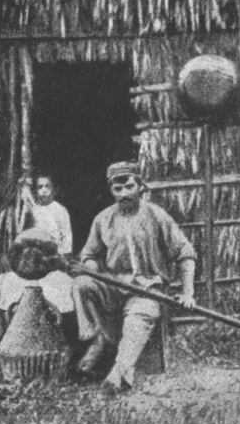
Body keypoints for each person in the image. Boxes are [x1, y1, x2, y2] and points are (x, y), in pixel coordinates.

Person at [72, 161, 197, 393]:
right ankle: (100, 336)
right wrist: (91, 268)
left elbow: (185, 253)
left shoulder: (156, 215)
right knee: (82, 284)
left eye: (129, 187)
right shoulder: (103, 219)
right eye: (117, 190)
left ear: (140, 186)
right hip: (114, 286)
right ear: (111, 191)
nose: (124, 194)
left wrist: (188, 292)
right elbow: (89, 254)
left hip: (147, 289)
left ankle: (118, 373)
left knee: (140, 317)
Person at [0, 228, 76, 368]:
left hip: (47, 280)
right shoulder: (11, 277)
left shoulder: (58, 279)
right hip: (22, 280)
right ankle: (0, 343)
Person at [28, 174, 73, 261]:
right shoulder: (34, 210)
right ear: (36, 190)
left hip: (56, 254)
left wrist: (65, 254)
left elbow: (67, 234)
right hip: (38, 255)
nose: (44, 190)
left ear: (52, 189)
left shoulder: (60, 210)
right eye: (40, 187)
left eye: (47, 186)